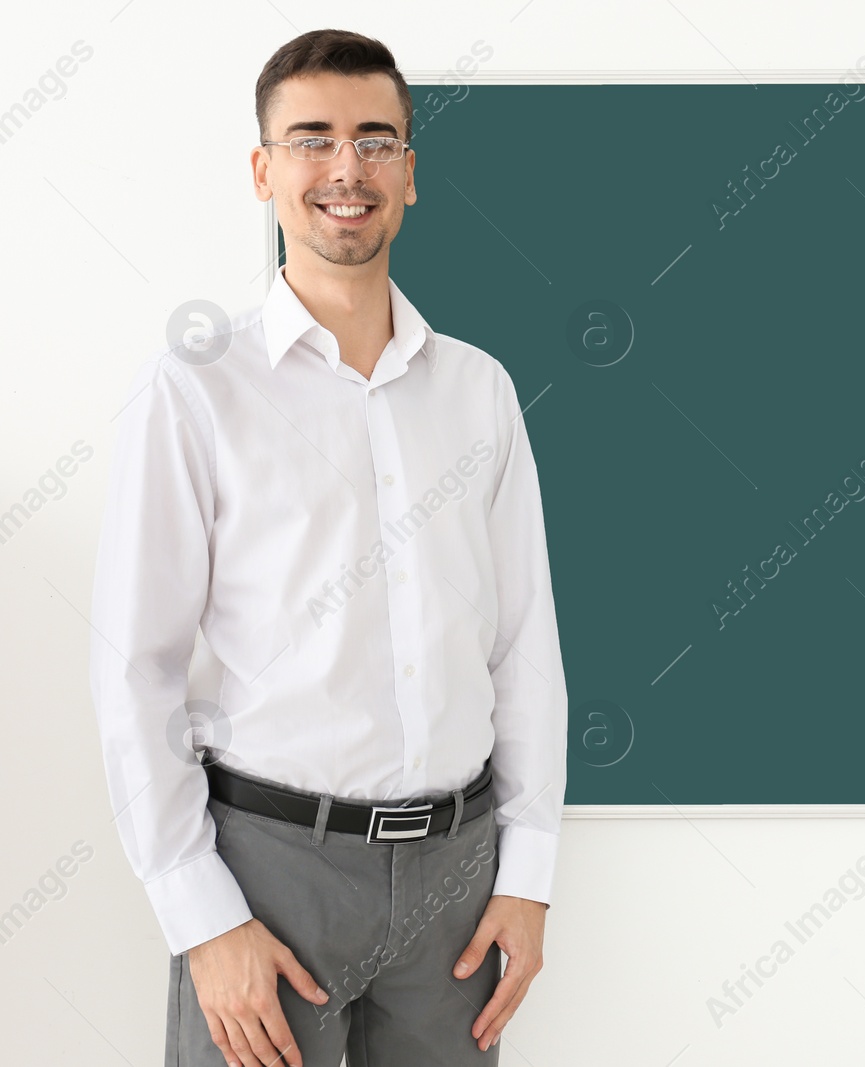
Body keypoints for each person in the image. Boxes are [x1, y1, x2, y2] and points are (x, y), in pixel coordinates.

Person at [87, 28, 568, 1067]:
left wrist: (526, 874)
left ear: (409, 174)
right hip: (268, 868)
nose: (346, 167)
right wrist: (201, 917)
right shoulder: (194, 389)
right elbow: (137, 669)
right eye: (312, 139)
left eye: (375, 140)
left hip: (457, 877)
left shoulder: (477, 389)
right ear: (264, 171)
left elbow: (524, 646)